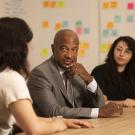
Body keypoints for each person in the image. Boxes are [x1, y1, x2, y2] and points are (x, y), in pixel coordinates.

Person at [0, 17, 94, 135]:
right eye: (27, 43)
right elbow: (34, 129)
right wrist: (59, 124)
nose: (31, 48)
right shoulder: (12, 79)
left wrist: (61, 120)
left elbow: (20, 120)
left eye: (74, 49)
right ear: (16, 47)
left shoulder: (3, 76)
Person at [27, 29, 123, 119]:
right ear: (53, 49)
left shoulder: (77, 71)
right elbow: (53, 112)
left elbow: (100, 105)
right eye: (64, 49)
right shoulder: (40, 74)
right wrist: (97, 112)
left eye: (74, 50)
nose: (69, 55)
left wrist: (89, 79)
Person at [91, 36, 135, 107]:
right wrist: (123, 103)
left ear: (132, 55)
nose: (122, 54)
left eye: (127, 51)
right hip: (107, 115)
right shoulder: (99, 71)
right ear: (112, 50)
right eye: (119, 49)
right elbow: (100, 102)